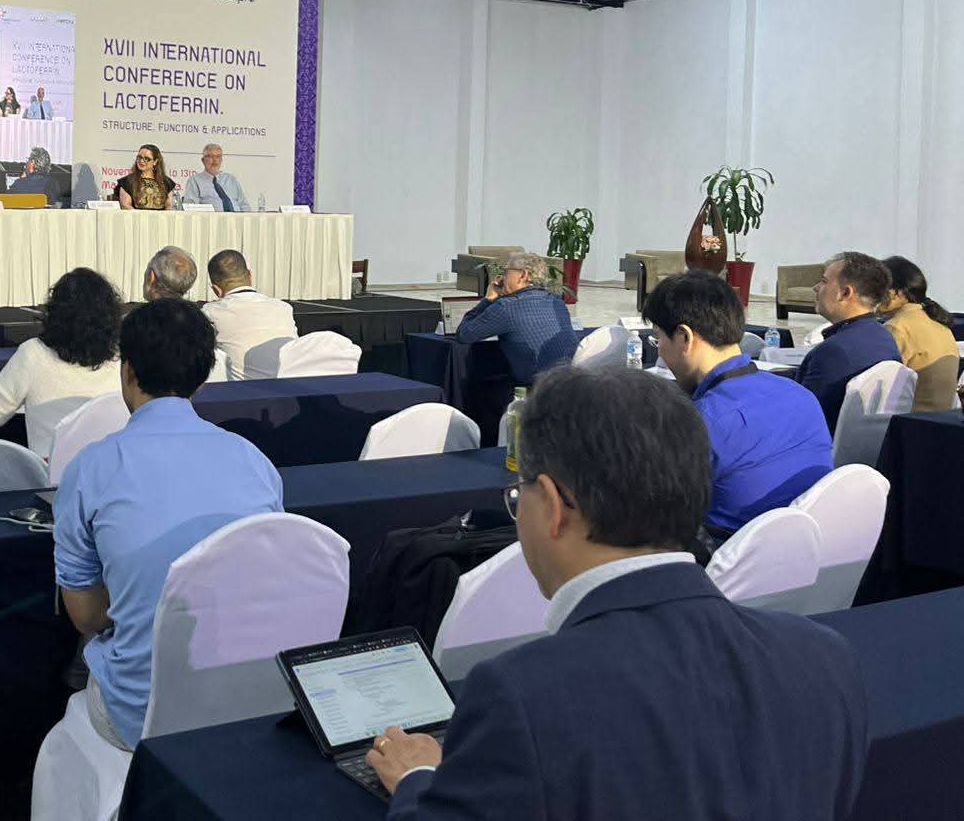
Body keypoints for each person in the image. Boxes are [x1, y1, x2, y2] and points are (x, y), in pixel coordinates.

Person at [368, 365, 868, 820]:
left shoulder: (521, 694)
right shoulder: (824, 657)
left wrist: (418, 780)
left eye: (520, 496)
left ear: (555, 506)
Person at [52, 298, 284, 751]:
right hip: (250, 700)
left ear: (127, 371)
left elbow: (87, 617)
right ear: (202, 378)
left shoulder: (92, 467)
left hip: (141, 713)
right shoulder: (254, 461)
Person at [643, 271, 831, 536]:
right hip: (807, 545)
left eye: (658, 338)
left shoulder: (702, 422)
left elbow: (650, 506)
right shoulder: (800, 395)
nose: (659, 350)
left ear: (684, 337)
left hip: (727, 550)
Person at [0, 268, 123, 457]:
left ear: (55, 313)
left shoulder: (33, 353)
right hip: (112, 470)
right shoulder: (124, 358)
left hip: (53, 473)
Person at [799, 252, 901, 430]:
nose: (816, 287)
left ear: (845, 293)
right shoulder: (885, 337)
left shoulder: (834, 351)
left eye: (823, 281)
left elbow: (800, 414)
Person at [454, 251, 578, 383]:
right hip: (572, 381)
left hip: (538, 388)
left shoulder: (507, 306)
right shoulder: (556, 302)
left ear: (523, 275)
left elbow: (464, 334)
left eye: (506, 272)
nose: (502, 278)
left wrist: (488, 300)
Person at [879, 255, 960, 412]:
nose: (872, 296)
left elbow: (877, 385)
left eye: (877, 289)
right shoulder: (938, 323)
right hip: (941, 420)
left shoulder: (897, 327)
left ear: (897, 293)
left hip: (911, 420)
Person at [201, 249, 297, 379]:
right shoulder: (284, 308)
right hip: (290, 386)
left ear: (216, 290)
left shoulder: (210, 312)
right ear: (250, 275)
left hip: (242, 389)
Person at [181, 143, 251, 212]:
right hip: (210, 219)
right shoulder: (195, 180)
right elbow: (190, 207)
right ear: (203, 160)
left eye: (218, 156)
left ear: (221, 160)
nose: (215, 160)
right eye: (210, 156)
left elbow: (244, 205)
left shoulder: (231, 179)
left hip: (237, 218)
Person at [114, 144, 175, 210]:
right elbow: (126, 206)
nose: (141, 161)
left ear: (155, 162)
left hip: (161, 217)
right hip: (135, 216)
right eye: (139, 157)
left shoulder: (166, 182)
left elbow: (169, 207)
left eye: (146, 159)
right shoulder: (126, 182)